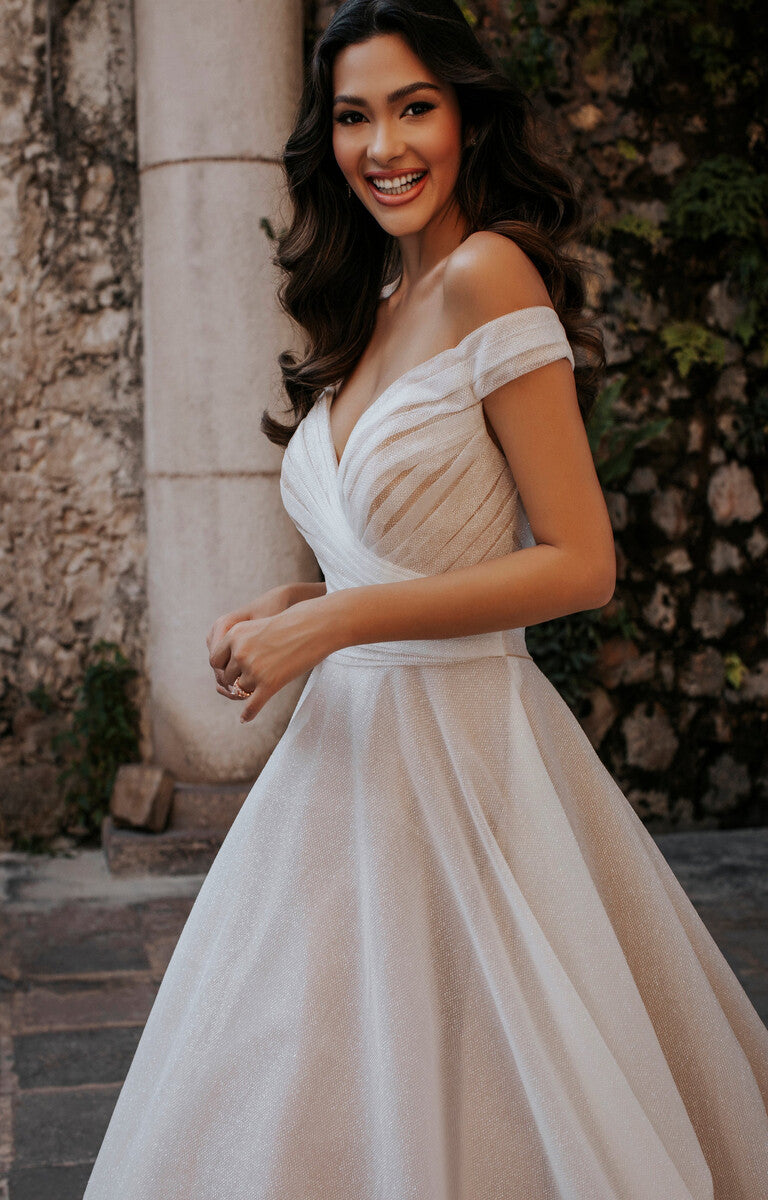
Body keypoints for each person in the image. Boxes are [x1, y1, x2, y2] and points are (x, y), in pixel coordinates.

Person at [83, 2, 768, 1197]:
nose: (385, 145)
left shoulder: (489, 274)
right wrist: (296, 599)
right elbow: (410, 549)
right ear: (327, 140)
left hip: (465, 748)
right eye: (355, 116)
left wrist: (336, 624)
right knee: (311, 1076)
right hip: (340, 768)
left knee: (487, 1078)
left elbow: (579, 561)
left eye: (414, 108)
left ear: (464, 117)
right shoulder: (374, 307)